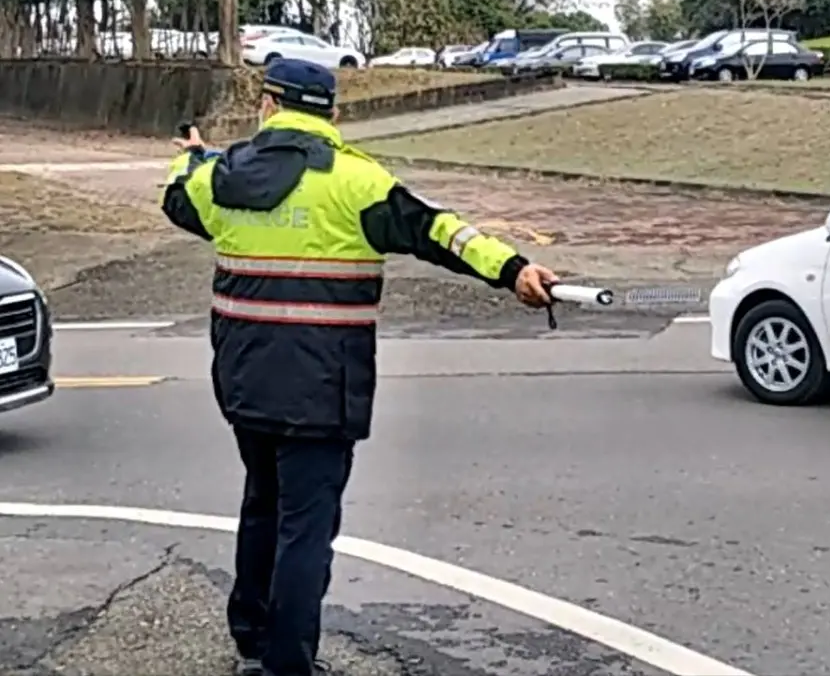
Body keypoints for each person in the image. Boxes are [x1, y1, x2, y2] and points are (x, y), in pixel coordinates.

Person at [160, 58, 558, 676]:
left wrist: (191, 156)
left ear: (269, 106)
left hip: (243, 378)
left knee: (262, 502)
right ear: (333, 115)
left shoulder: (222, 177)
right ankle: (287, 664)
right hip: (323, 387)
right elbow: (439, 231)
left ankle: (252, 637)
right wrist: (513, 269)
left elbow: (178, 197)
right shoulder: (356, 182)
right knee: (306, 528)